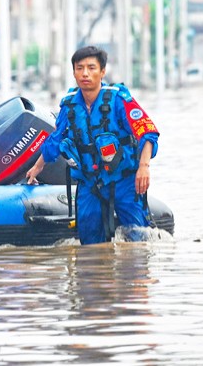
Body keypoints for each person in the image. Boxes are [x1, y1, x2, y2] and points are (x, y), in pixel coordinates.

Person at [25, 45, 159, 245]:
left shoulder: (118, 99)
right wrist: (36, 168)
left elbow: (147, 132)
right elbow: (56, 139)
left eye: (91, 68)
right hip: (90, 182)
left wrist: (144, 167)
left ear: (102, 71)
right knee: (89, 246)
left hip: (123, 181)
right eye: (79, 68)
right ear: (74, 72)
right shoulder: (69, 105)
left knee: (137, 240)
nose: (85, 73)